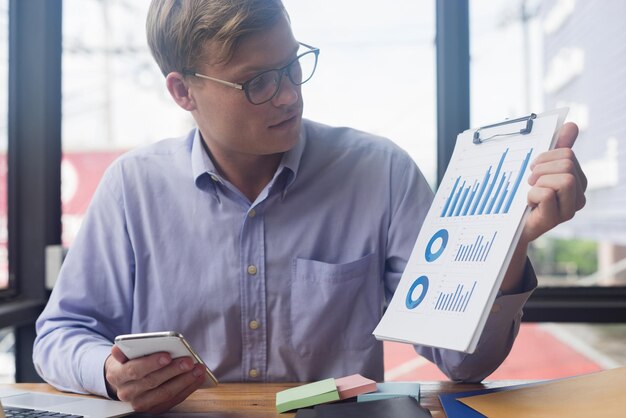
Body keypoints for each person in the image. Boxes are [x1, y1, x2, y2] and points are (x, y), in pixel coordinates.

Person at [33, 0, 587, 414]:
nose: (290, 94)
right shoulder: (133, 188)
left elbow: (464, 364)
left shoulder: (381, 173)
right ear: (183, 92)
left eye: (293, 65)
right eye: (257, 83)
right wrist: (107, 371)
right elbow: (59, 335)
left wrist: (512, 245)